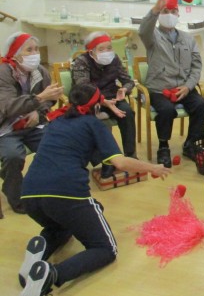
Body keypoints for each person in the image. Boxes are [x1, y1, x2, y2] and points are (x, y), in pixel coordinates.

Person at [18, 83, 171, 296]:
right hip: (65, 194)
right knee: (105, 249)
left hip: (29, 194)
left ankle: (40, 249)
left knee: (64, 225)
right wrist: (153, 167)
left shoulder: (56, 121)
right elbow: (120, 163)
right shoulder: (93, 124)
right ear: (97, 106)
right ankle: (52, 274)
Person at [139, 0, 204, 170]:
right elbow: (143, 30)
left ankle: (191, 143)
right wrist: (155, 10)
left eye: (173, 11)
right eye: (165, 11)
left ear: (178, 14)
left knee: (202, 105)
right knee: (166, 110)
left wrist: (188, 86)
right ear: (159, 15)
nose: (169, 15)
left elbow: (196, 66)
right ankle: (163, 147)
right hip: (159, 88)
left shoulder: (188, 39)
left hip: (183, 87)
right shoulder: (152, 36)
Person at [0, 32, 63, 214]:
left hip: (34, 124)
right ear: (15, 54)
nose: (35, 54)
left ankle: (43, 186)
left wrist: (38, 110)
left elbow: (50, 101)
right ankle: (16, 196)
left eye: (36, 49)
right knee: (13, 156)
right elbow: (8, 107)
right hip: (7, 127)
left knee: (55, 146)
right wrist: (39, 99)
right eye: (29, 50)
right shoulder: (3, 73)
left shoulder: (40, 71)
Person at [71, 31, 137, 177]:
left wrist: (124, 89)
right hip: (90, 101)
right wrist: (101, 101)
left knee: (127, 112)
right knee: (94, 123)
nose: (107, 52)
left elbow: (128, 80)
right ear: (91, 51)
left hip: (112, 97)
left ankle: (130, 155)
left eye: (109, 48)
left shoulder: (114, 59)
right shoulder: (81, 62)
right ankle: (107, 161)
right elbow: (83, 89)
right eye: (101, 49)